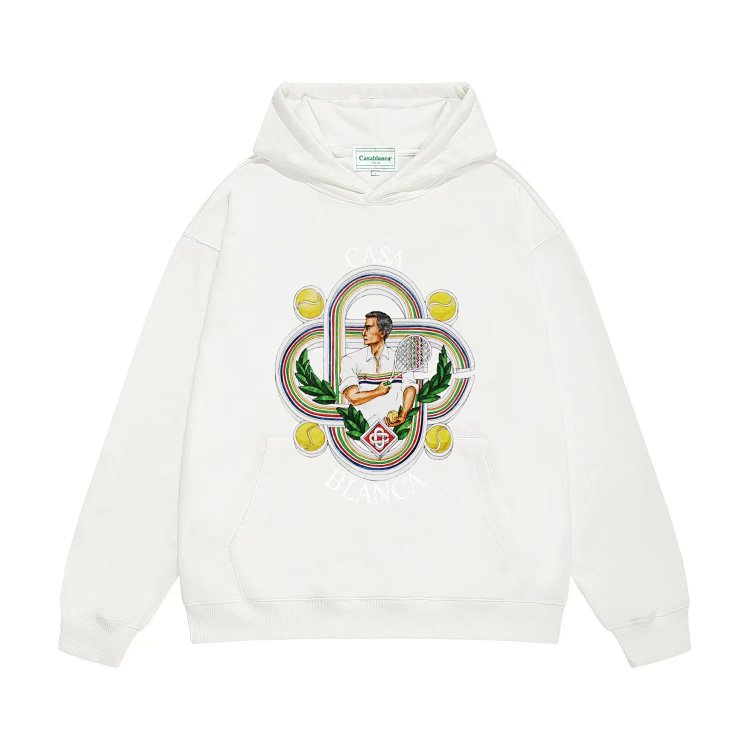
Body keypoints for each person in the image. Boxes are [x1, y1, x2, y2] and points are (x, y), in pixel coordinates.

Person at [339, 311, 417, 429]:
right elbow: (353, 398)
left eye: (368, 328)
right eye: (364, 328)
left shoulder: (401, 359)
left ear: (382, 332)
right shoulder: (350, 360)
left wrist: (403, 415)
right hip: (363, 429)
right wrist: (378, 391)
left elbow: (410, 388)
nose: (363, 333)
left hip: (392, 428)